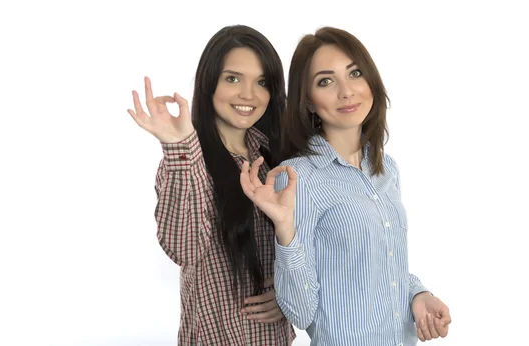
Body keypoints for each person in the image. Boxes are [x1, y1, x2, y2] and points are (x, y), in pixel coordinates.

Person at [239, 26, 452, 346]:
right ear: (308, 101)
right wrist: (285, 228)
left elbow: (378, 267)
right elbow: (300, 311)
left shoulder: (386, 168)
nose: (346, 91)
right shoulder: (298, 178)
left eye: (355, 73)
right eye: (326, 81)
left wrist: (418, 294)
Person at [127, 25, 296, 345]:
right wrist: (179, 146)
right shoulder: (188, 161)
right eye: (233, 78)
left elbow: (302, 243)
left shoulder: (273, 156)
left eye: (261, 82)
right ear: (209, 84)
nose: (248, 94)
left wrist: (289, 293)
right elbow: (184, 249)